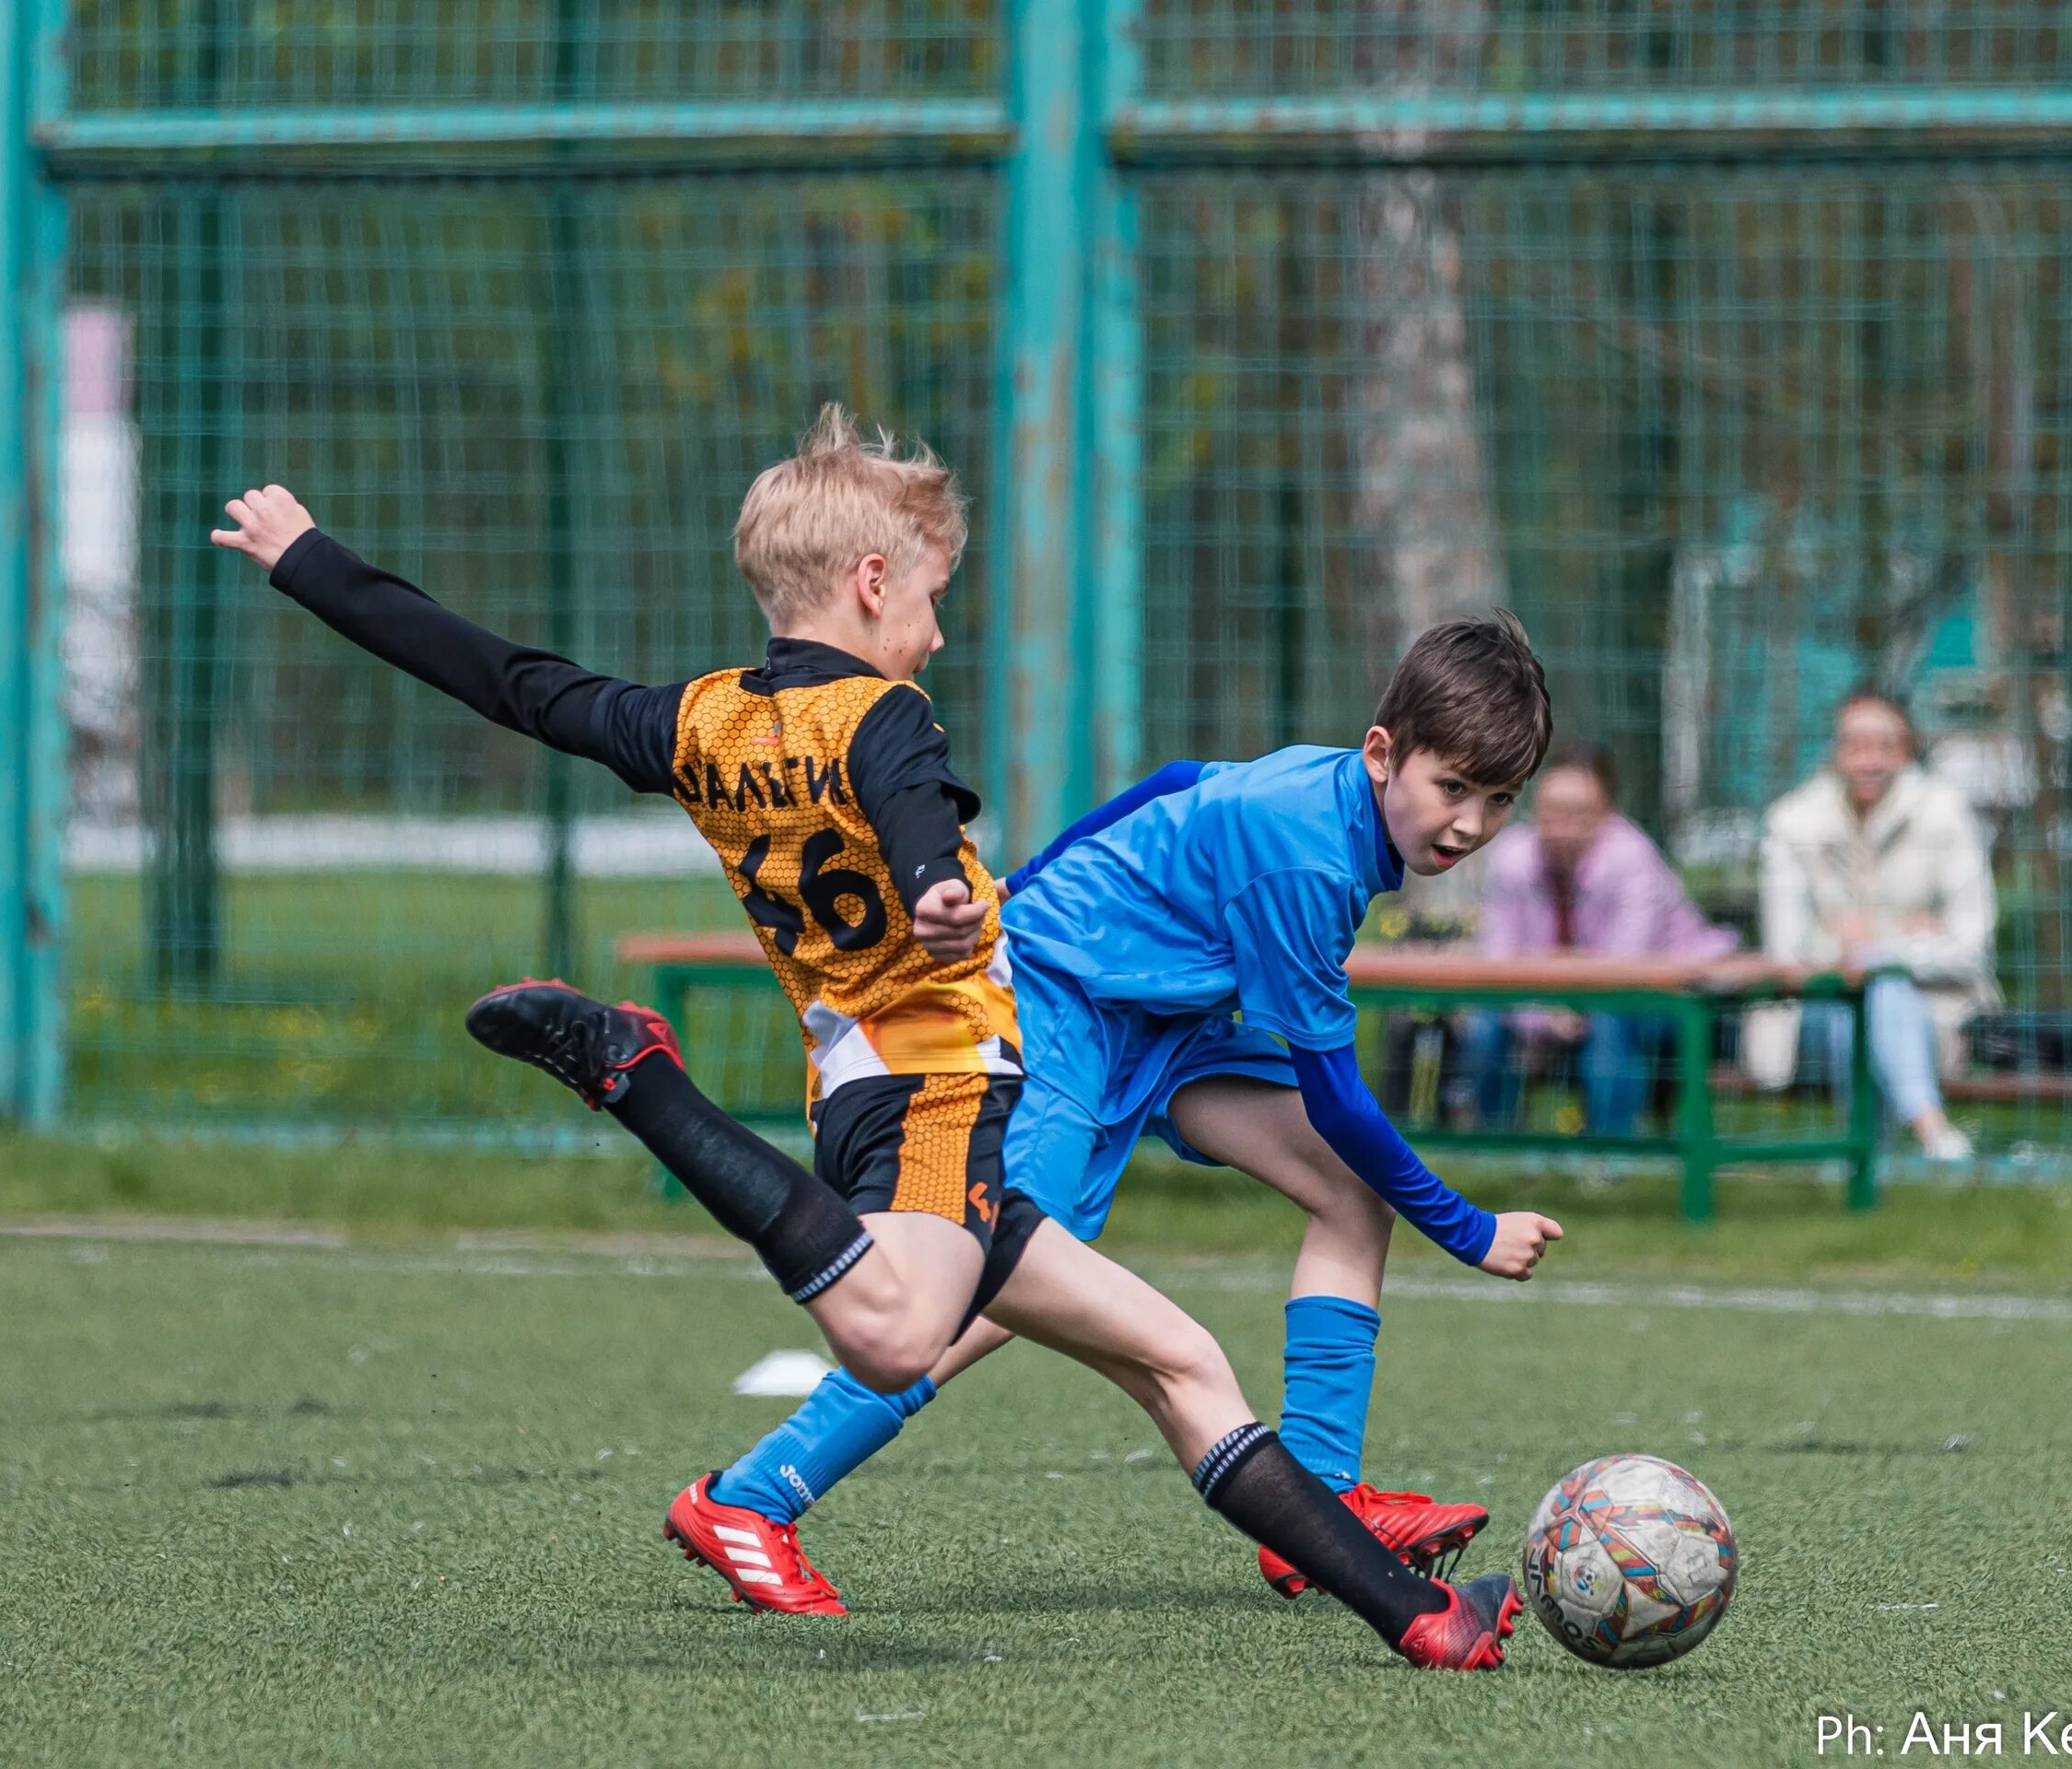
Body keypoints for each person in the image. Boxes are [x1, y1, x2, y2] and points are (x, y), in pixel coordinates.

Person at [209, 408, 1527, 1671]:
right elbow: (902, 790)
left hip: (893, 1072)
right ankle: (655, 1125)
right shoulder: (889, 718)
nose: (939, 636)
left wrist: (313, 565)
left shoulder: (695, 719)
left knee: (1184, 1361)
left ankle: (1413, 1611)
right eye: (935, 601)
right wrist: (938, 887)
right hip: (949, 1087)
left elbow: (509, 682)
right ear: (872, 581)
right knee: (907, 1332)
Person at [691, 614, 1566, 1609]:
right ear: (1382, 754)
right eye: (1452, 788)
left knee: (1350, 1196)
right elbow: (1337, 1098)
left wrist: (1034, 872)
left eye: (1498, 801)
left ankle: (1315, 1513)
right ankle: (755, 1495)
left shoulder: (1334, 797)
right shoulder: (1307, 856)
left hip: (1162, 1017)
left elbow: (1180, 779)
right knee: (993, 1268)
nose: (1468, 824)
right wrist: (1467, 1229)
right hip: (1065, 1002)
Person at [1745, 688, 1995, 1162]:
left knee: (1873, 982)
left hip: (1933, 1002)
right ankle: (1931, 1129)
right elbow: (1786, 949)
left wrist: (1876, 943)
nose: (1869, 760)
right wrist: (1905, 935)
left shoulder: (1948, 814)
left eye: (1885, 746)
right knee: (1858, 993)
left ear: (1907, 751)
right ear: (1835, 751)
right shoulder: (1791, 822)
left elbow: (1971, 946)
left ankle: (1863, 1159)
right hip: (1815, 1005)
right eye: (1855, 745)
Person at [1462, 745, 1738, 1134]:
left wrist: (1570, 1009)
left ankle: (1611, 1151)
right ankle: (1492, 1143)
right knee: (1488, 1018)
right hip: (1556, 996)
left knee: (1612, 1017)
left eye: (1578, 814)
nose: (1561, 827)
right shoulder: (1511, 858)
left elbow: (1623, 967)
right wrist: (1541, 1016)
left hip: (1672, 999)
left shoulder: (1632, 857)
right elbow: (1497, 960)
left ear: (1606, 814)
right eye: (1551, 811)